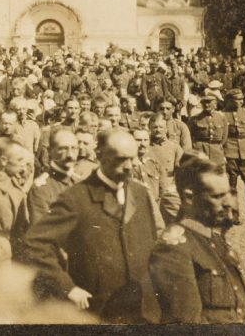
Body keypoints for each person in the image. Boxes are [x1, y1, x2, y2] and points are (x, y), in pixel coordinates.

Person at [21, 129, 161, 323]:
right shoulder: (76, 197)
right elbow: (35, 242)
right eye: (120, 160)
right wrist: (67, 287)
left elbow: (152, 242)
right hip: (99, 310)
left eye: (132, 159)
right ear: (99, 155)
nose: (129, 166)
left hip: (142, 309)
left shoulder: (140, 193)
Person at [149, 155, 245, 323]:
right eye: (217, 197)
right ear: (189, 198)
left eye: (227, 195)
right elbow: (187, 323)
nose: (227, 204)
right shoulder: (174, 249)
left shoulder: (216, 240)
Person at [223, 89, 245, 220]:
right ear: (229, 100)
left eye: (242, 99)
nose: (241, 101)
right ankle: (235, 216)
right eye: (237, 99)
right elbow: (222, 136)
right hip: (230, 150)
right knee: (232, 184)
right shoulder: (222, 115)